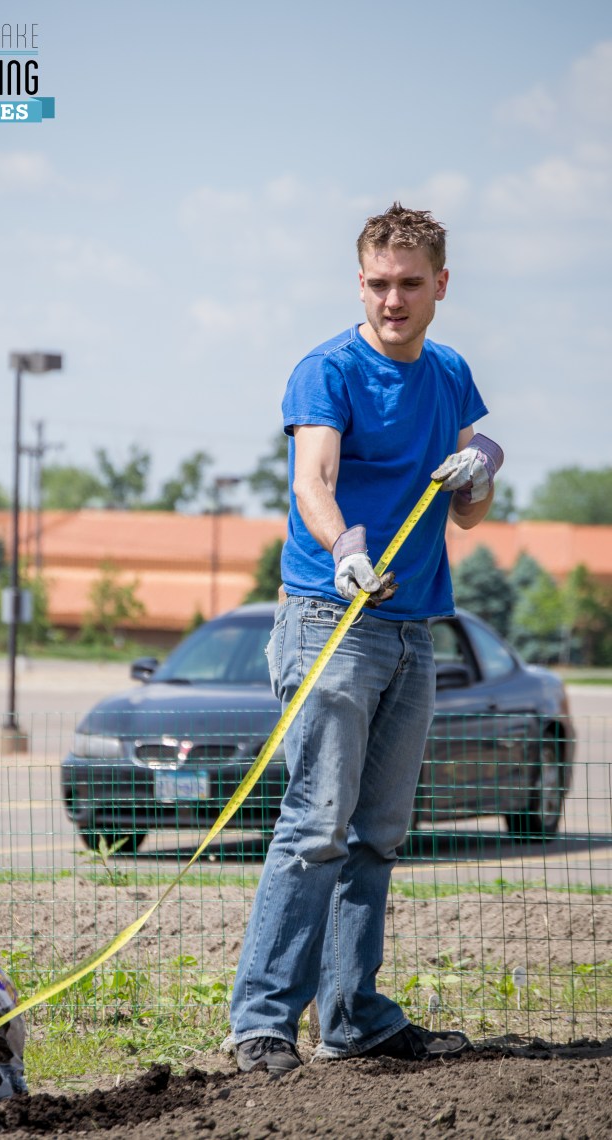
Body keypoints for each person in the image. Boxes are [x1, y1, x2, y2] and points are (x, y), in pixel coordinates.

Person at [228, 202, 503, 1075]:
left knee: (378, 834)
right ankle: (264, 1022)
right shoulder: (327, 369)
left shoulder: (451, 374)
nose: (393, 299)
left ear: (441, 287)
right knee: (315, 826)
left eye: (410, 285)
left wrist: (483, 468)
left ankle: (351, 1020)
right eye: (379, 284)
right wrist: (344, 547)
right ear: (361, 283)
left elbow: (467, 512)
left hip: (412, 628)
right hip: (329, 619)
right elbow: (314, 478)